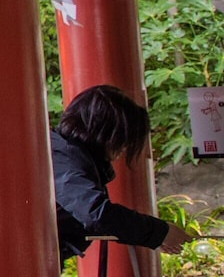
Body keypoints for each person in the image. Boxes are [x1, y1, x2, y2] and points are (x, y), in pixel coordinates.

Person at [51, 85, 192, 267]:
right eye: (124, 139)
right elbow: (96, 214)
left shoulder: (65, 155)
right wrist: (160, 232)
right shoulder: (62, 159)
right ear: (105, 133)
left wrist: (153, 237)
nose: (124, 148)